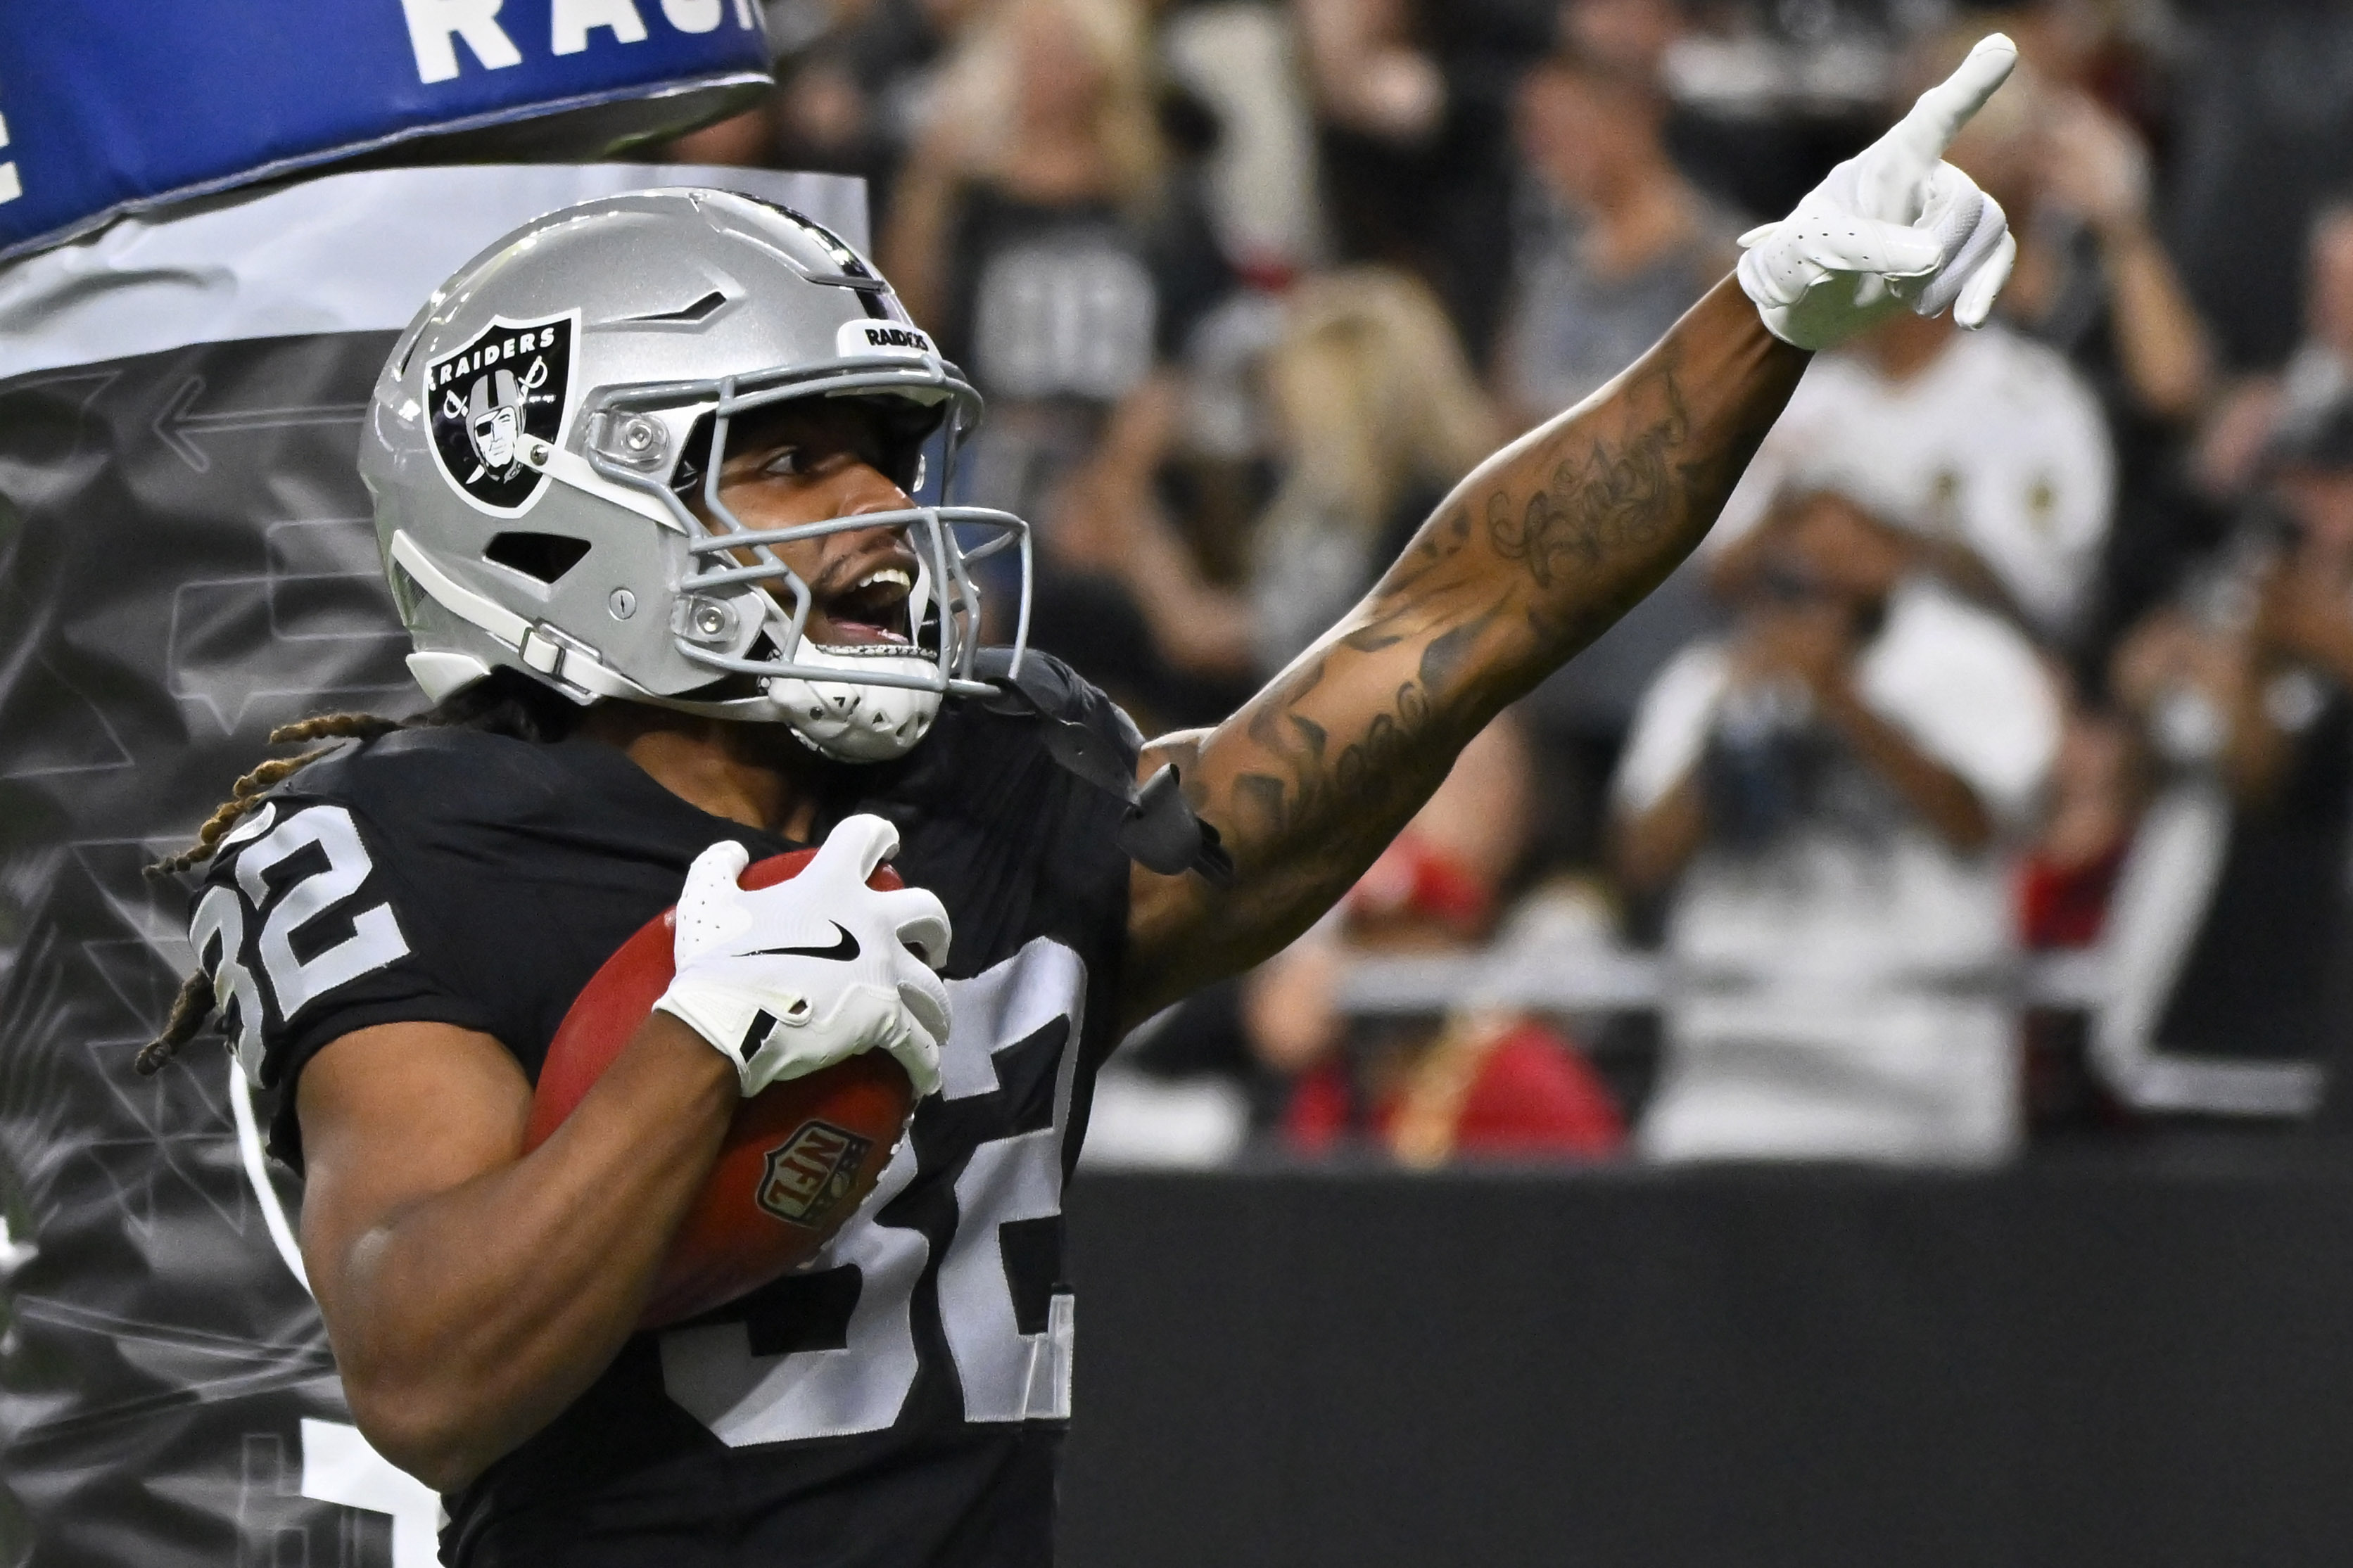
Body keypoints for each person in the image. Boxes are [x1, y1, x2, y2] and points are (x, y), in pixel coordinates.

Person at [139, 39, 2024, 1567]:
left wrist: (1764, 307)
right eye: (786, 461)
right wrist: (696, 1049)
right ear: (547, 504)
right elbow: (424, 1364)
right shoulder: (420, 840)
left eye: (882, 454)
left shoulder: (995, 782)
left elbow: (1463, 613)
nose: (872, 516)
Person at [1613, 488, 2060, 1164]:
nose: (1821, 542)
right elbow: (1642, 859)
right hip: (1732, 1098)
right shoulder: (1712, 676)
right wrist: (1731, 725)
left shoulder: (1972, 662)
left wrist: (1841, 699)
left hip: (1916, 1102)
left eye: (1847, 518)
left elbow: (1978, 825)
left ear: (1896, 541)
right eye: (1797, 520)